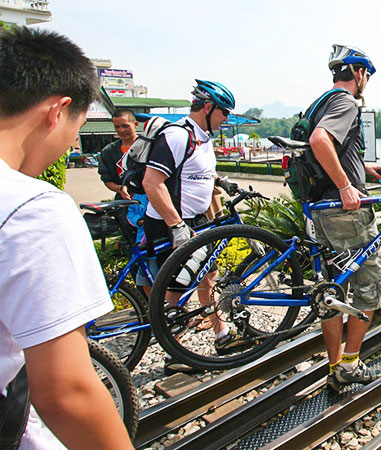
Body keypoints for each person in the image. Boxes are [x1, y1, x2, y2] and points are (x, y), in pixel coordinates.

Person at [0, 26, 133, 449]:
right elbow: (66, 392)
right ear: (57, 111)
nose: (70, 143)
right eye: (76, 129)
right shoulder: (32, 207)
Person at [142, 79, 239, 372]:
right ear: (208, 107)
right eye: (224, 113)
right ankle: (175, 355)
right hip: (170, 222)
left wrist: (222, 181)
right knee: (176, 287)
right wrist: (176, 226)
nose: (226, 120)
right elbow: (152, 182)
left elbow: (196, 171)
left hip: (195, 220)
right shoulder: (177, 136)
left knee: (208, 272)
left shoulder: (202, 138)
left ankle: (222, 333)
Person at [307, 44, 381, 392]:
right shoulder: (346, 102)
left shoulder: (320, 102)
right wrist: (345, 186)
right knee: (370, 286)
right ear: (358, 73)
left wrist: (364, 169)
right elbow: (320, 140)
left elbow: (332, 148)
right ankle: (351, 366)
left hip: (321, 211)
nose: (365, 80)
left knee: (331, 290)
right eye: (365, 74)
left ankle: (335, 365)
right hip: (345, 213)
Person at [97, 108, 138, 200]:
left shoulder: (148, 147)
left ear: (136, 125)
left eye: (125, 126)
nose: (121, 130)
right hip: (123, 202)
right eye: (117, 127)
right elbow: (107, 180)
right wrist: (119, 189)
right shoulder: (108, 152)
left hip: (150, 200)